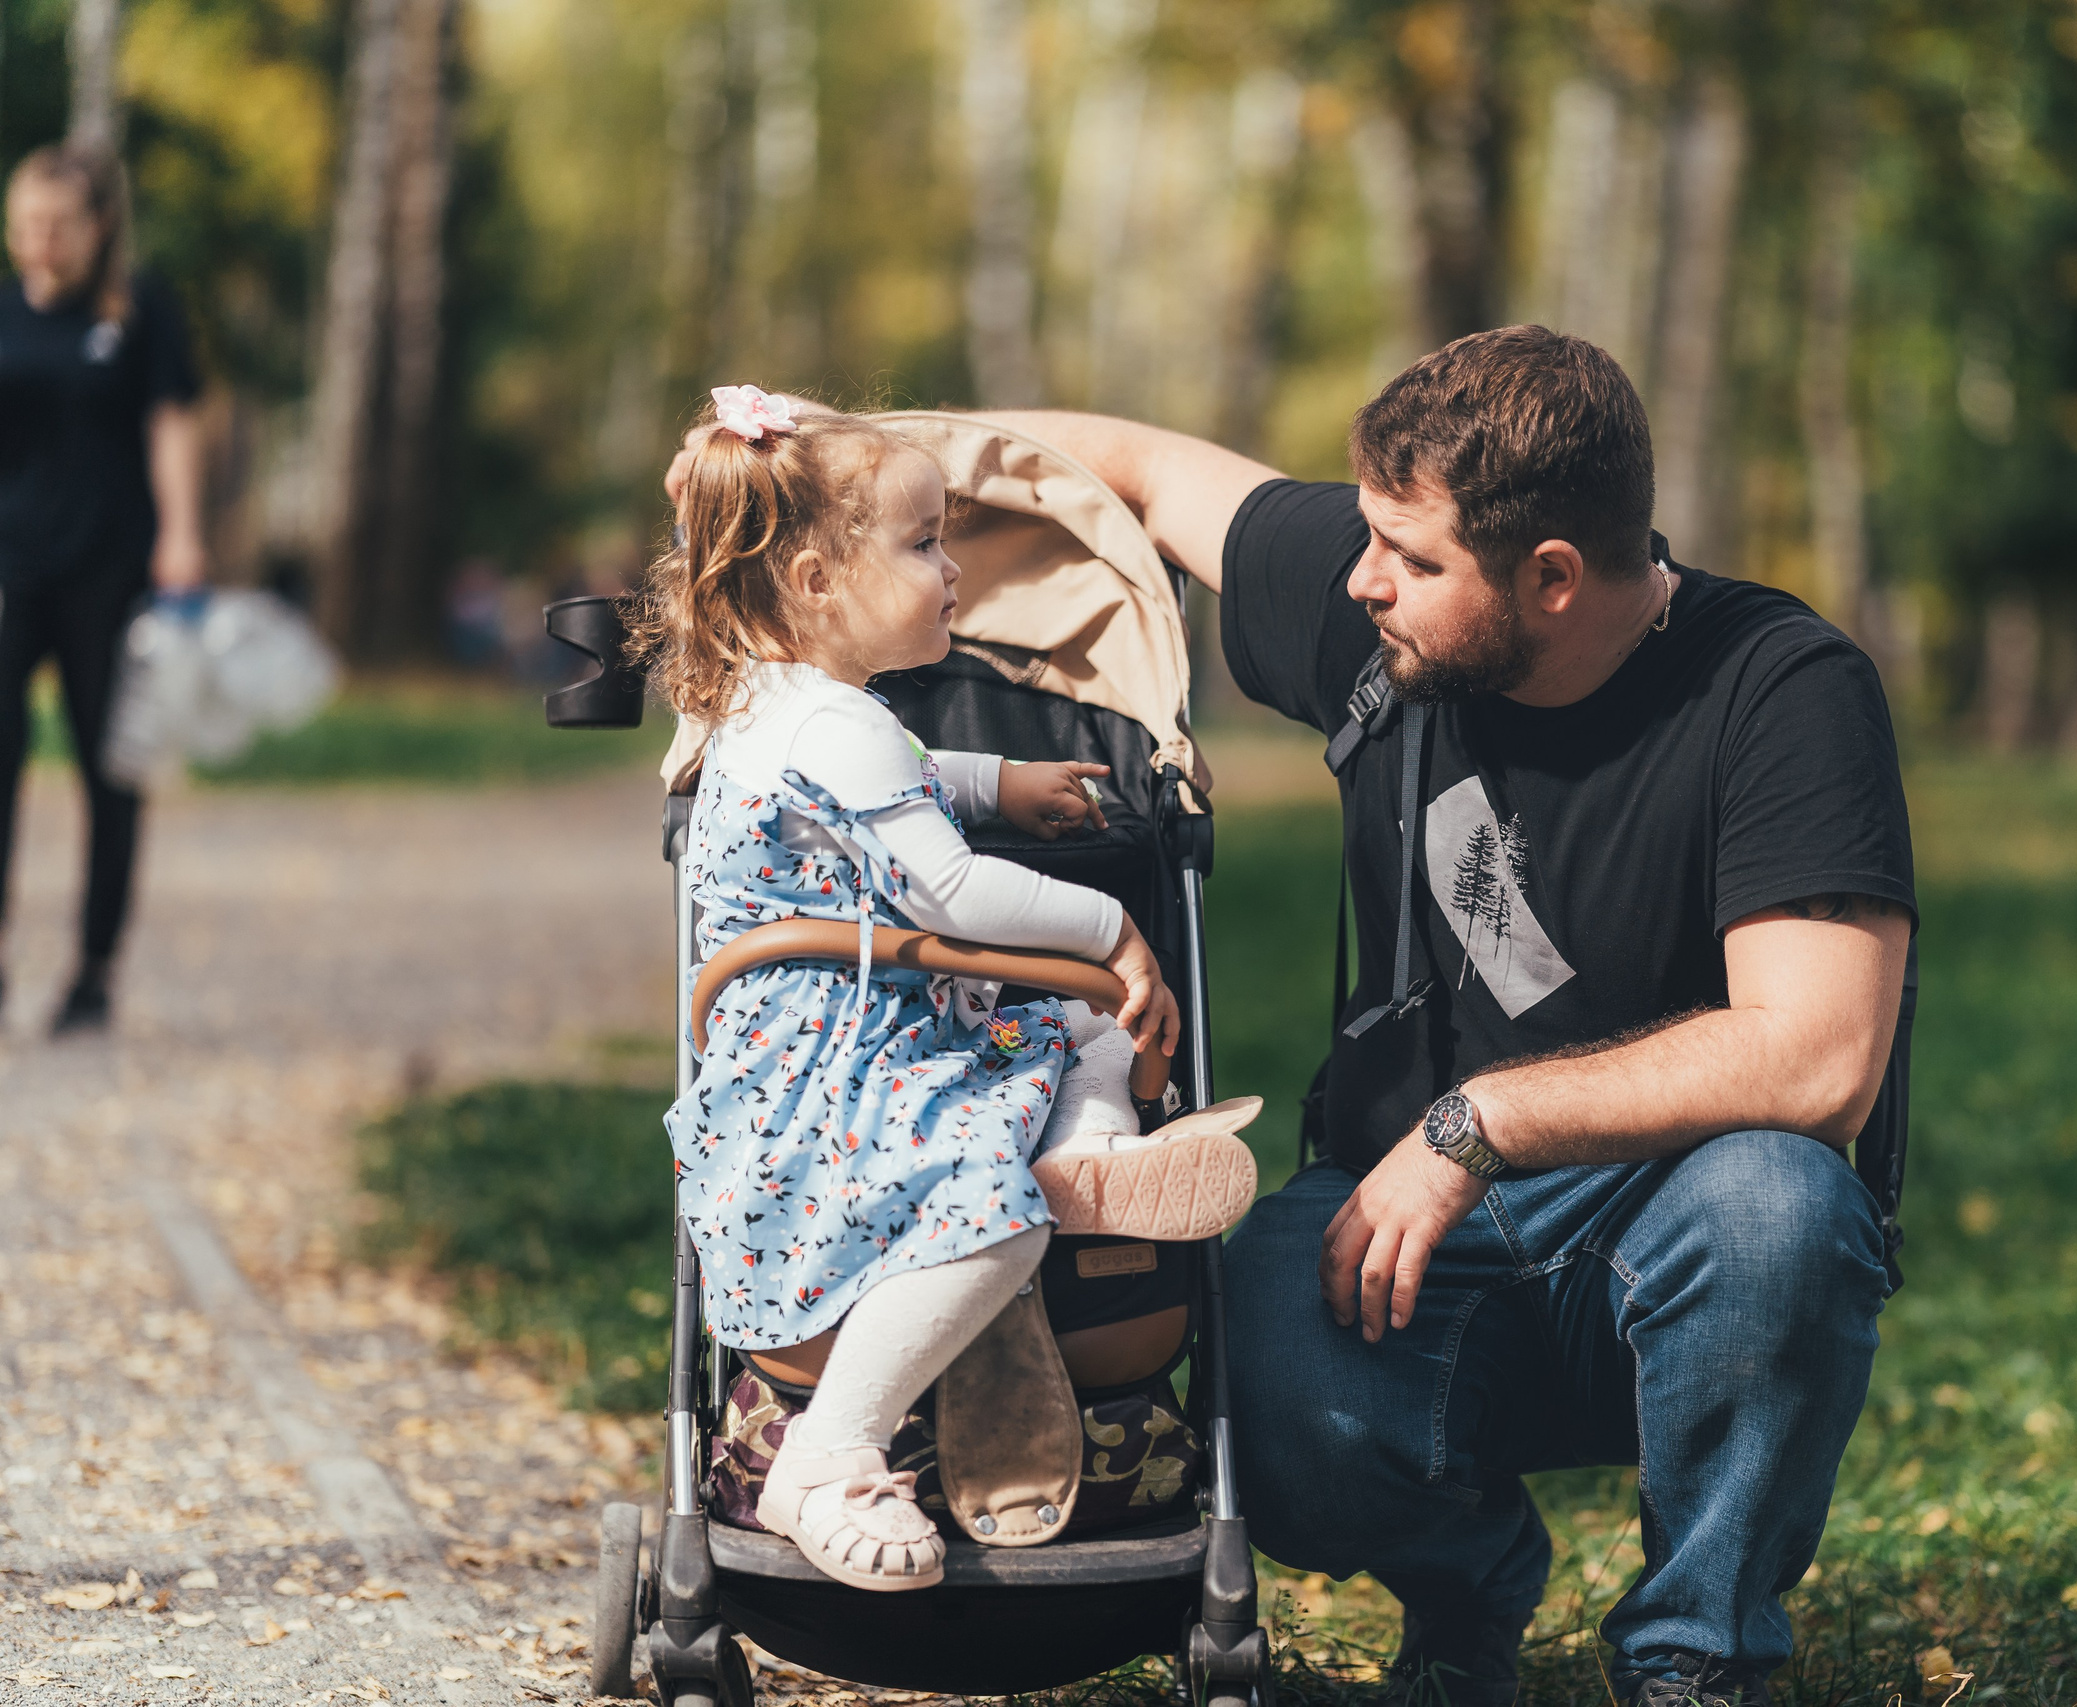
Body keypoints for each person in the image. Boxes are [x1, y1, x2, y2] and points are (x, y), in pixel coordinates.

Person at [962, 328, 1916, 1707]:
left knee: (1784, 1208)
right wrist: (840, 453)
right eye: (1366, 536)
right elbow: (1133, 471)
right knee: (1264, 1371)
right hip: (1409, 1232)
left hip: (1669, 1229)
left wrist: (1478, 1123)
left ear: (1551, 577)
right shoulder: (1389, 613)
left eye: (1409, 560)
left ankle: (1693, 1660)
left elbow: (1821, 1056)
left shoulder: (1781, 688)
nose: (1363, 581)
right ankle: (1473, 1595)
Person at [645, 386, 1255, 1591]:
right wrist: (1110, 926)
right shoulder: (842, 730)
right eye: (924, 544)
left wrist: (1001, 781)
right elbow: (952, 898)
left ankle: (1089, 1141)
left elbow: (905, 772)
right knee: (1006, 1199)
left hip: (801, 1051)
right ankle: (830, 1454)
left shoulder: (770, 704)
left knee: (1064, 1025)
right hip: (850, 1068)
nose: (952, 571)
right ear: (819, 582)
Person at [0, 142, 206, 1033]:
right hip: (12, 563)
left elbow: (172, 422)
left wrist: (184, 532)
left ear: (96, 227)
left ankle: (92, 967)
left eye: (56, 226)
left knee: (107, 766)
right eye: (24, 226)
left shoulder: (140, 308)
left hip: (110, 566)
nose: (39, 243)